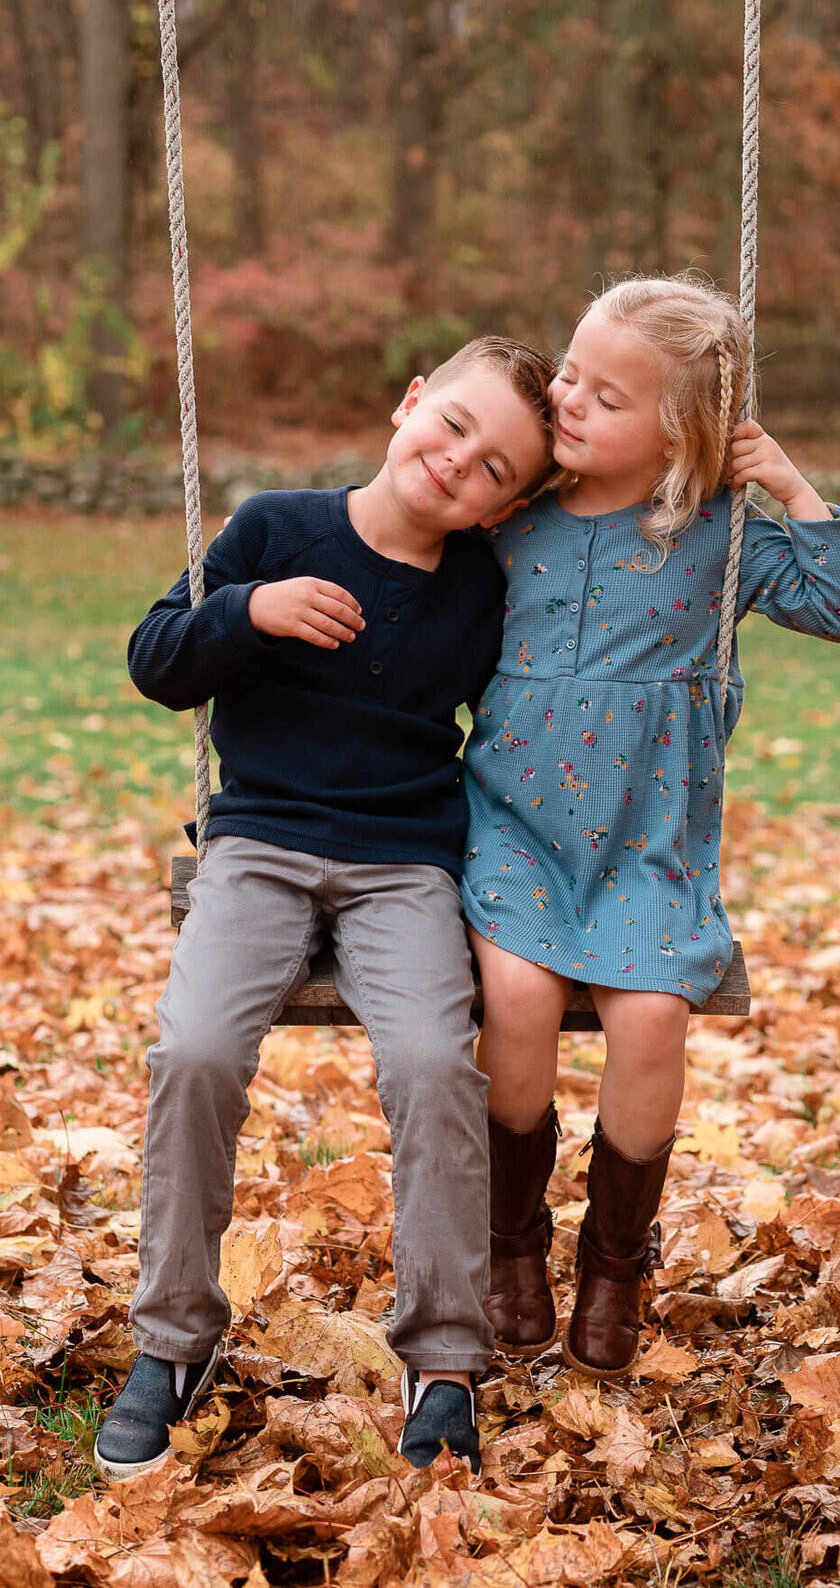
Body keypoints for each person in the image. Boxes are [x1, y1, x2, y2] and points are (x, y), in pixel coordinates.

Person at [94, 336, 555, 1480]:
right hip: (257, 843)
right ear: (411, 402)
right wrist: (250, 610)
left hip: (405, 862)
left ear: (508, 507)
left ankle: (444, 1359)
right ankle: (173, 1338)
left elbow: (546, 711)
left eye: (496, 466)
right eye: (453, 423)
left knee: (437, 1065)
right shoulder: (273, 528)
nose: (459, 463)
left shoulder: (485, 593)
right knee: (195, 1048)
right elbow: (157, 660)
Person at [461, 276, 840, 1377]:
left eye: (607, 394)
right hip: (516, 826)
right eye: (571, 374)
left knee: (650, 1022)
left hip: (651, 843)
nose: (570, 399)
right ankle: (513, 1248)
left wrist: (789, 484)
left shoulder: (718, 537)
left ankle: (613, 1266)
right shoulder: (514, 519)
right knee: (512, 999)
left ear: (683, 431)